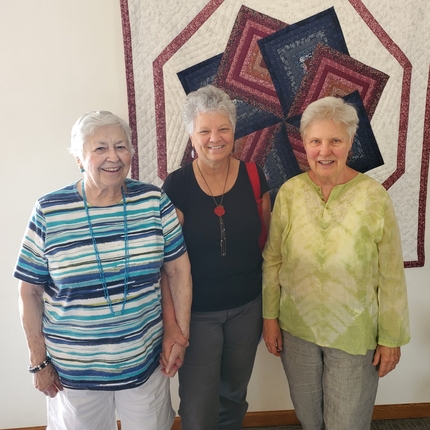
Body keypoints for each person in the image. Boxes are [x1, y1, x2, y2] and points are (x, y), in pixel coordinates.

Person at [14, 111, 192, 430]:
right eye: (100, 148)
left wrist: (179, 333)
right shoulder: (49, 211)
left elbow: (178, 272)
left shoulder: (153, 201)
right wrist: (38, 361)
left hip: (145, 361)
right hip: (74, 372)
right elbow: (29, 292)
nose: (113, 157)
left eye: (121, 146)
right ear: (80, 158)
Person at [262, 96, 410, 430]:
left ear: (350, 143)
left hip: (354, 331)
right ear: (304, 143)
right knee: (309, 418)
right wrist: (270, 317)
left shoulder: (374, 197)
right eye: (316, 140)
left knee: (347, 422)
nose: (324, 151)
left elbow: (390, 273)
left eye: (335, 140)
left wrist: (391, 337)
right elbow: (273, 260)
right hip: (296, 327)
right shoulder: (289, 193)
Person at [162, 85, 271, 430]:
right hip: (197, 314)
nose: (215, 138)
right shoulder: (176, 185)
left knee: (234, 394)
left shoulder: (254, 176)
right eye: (204, 130)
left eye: (223, 129)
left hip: (247, 308)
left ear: (234, 131)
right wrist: (172, 325)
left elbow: (264, 241)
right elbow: (166, 265)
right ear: (190, 136)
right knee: (197, 400)